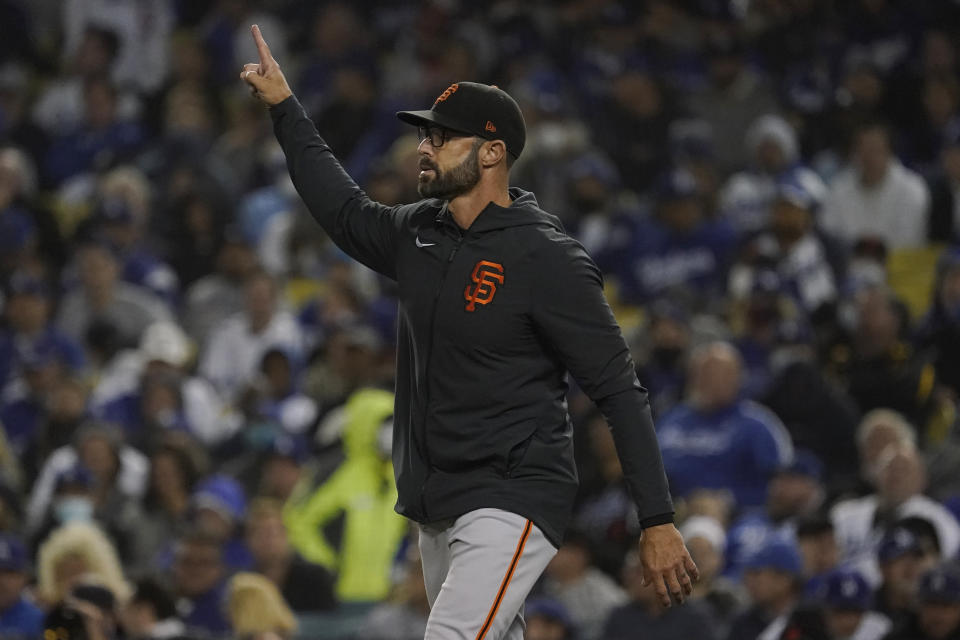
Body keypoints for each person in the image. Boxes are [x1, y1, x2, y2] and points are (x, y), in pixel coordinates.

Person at [241, 25, 695, 640]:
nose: (424, 147)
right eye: (425, 134)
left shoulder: (547, 257)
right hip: (437, 501)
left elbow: (619, 390)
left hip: (512, 496)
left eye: (442, 136)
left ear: (491, 152)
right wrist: (285, 108)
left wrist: (658, 519)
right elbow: (343, 212)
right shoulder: (419, 232)